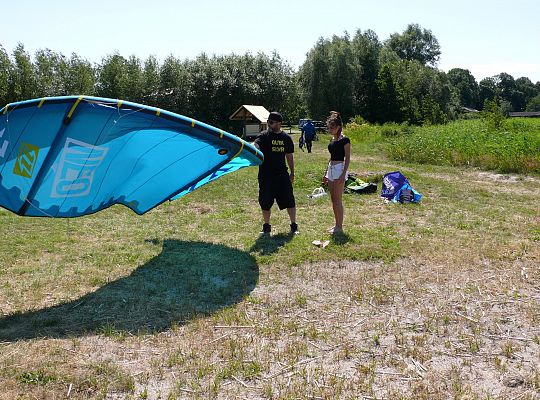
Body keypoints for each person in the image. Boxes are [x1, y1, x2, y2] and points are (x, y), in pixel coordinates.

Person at [253, 111, 298, 235]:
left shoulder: (286, 138)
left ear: (279, 123)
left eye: (272, 123)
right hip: (265, 175)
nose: (270, 125)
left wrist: (292, 173)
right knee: (265, 201)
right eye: (269, 122)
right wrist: (254, 147)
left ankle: (294, 225)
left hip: (281, 175)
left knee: (289, 199)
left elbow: (289, 156)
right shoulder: (263, 136)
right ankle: (266, 226)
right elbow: (256, 144)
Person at [322, 111, 351, 234]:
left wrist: (343, 174)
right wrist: (326, 173)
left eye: (332, 127)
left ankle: (339, 226)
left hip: (340, 168)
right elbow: (331, 157)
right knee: (333, 199)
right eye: (329, 127)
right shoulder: (332, 139)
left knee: (338, 199)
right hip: (331, 169)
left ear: (339, 127)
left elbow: (347, 158)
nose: (330, 129)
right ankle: (336, 225)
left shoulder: (345, 140)